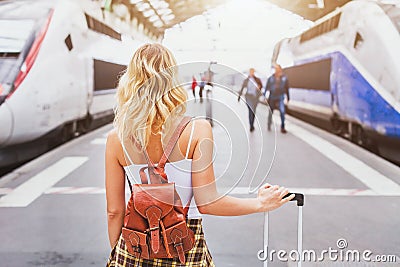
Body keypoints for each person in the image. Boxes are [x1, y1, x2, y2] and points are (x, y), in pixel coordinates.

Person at [105, 43, 295, 267]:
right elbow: (207, 203)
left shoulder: (116, 139)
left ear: (131, 80)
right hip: (185, 249)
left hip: (133, 250)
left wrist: (122, 254)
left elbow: (114, 211)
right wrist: (259, 204)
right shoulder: (196, 130)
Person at [264, 64, 290, 134]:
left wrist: (288, 98)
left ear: (280, 69)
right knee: (270, 112)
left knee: (282, 111)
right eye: (276, 68)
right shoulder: (271, 78)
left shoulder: (284, 78)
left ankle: (282, 127)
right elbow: (266, 87)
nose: (277, 70)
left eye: (278, 68)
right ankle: (269, 124)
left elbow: (287, 88)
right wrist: (264, 96)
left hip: (280, 96)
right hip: (272, 97)